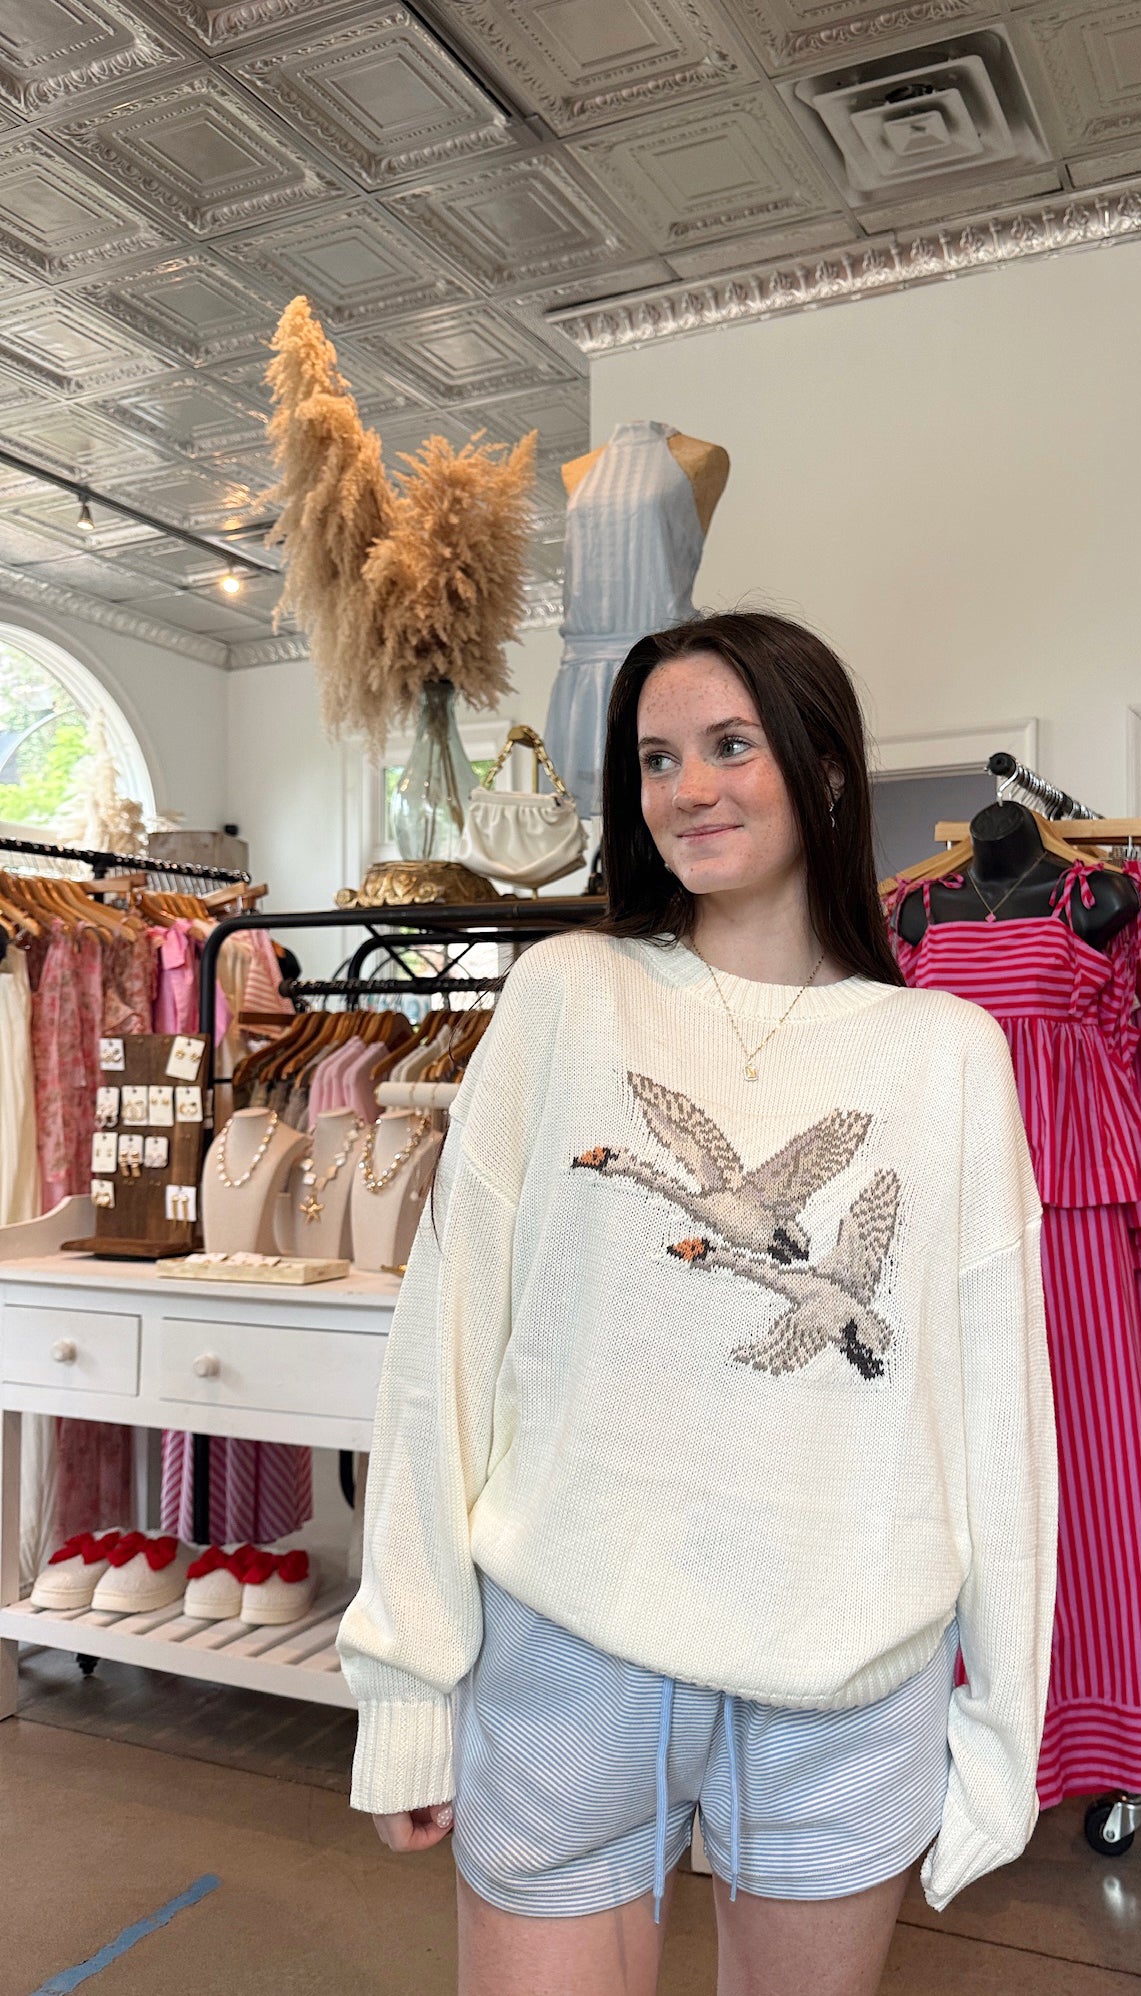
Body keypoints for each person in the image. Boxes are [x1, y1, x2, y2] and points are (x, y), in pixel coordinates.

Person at [337, 611, 1058, 1996]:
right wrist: (409, 1682)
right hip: (569, 1646)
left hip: (845, 1675)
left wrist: (1004, 1735)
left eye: (731, 746)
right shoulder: (567, 995)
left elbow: (1002, 1409)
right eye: (658, 759)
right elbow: (445, 1347)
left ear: (824, 770)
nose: (688, 789)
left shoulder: (947, 1056)